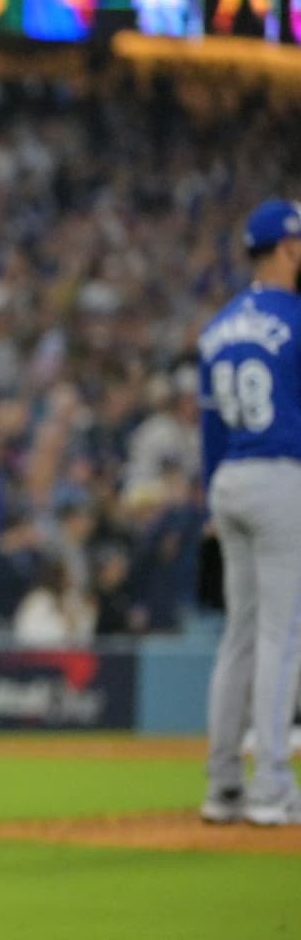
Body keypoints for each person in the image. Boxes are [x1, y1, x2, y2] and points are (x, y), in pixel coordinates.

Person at [197, 198, 301, 827]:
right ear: (287, 248)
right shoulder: (296, 318)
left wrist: (211, 494)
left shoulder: (218, 326)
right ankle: (272, 789)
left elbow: (210, 427)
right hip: (280, 476)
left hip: (230, 480)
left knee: (240, 636)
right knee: (281, 638)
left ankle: (223, 785)